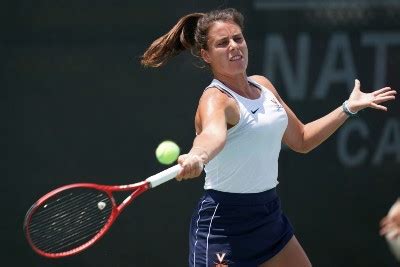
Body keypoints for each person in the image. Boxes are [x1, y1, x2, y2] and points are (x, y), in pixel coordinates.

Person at [141, 8, 397, 267]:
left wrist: (348, 108)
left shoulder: (263, 85)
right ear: (206, 55)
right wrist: (198, 155)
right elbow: (212, 135)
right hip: (224, 226)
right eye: (222, 43)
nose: (234, 46)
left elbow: (303, 139)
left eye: (238, 38)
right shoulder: (216, 99)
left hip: (268, 215)